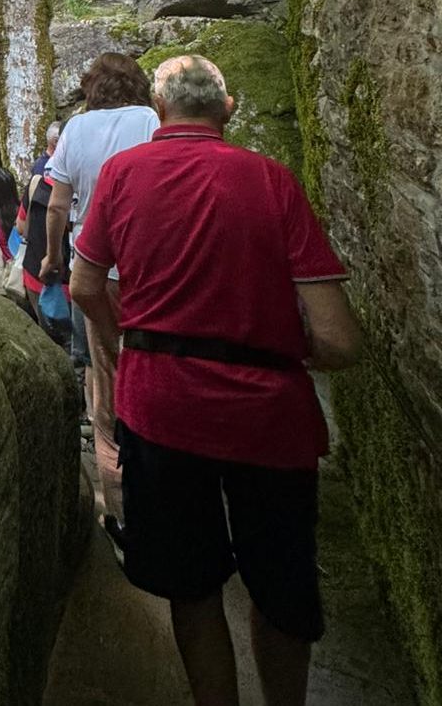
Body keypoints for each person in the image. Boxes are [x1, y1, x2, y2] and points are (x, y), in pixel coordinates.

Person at [69, 54, 361, 706]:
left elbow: (84, 284)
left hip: (162, 407)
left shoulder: (121, 174)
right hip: (271, 419)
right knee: (280, 586)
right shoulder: (272, 180)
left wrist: (129, 346)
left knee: (192, 584)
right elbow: (341, 338)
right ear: (227, 110)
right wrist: (277, 346)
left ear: (159, 111)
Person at [39, 53, 158, 540]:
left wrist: (53, 259)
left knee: (105, 385)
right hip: (150, 266)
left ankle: (121, 513)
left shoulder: (75, 130)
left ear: (92, 88)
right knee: (154, 366)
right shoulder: (151, 119)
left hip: (97, 267)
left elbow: (57, 206)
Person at [16, 123, 71, 344]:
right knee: (76, 346)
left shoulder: (36, 182)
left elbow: (21, 226)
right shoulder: (84, 187)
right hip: (70, 281)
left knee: (48, 341)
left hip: (34, 275)